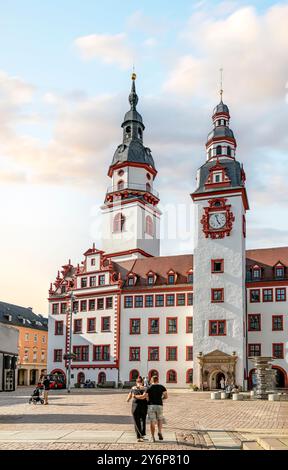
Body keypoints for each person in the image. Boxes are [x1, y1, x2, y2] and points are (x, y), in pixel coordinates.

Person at [146, 375, 168, 442]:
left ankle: (153, 437)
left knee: (152, 421)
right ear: (157, 380)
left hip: (151, 405)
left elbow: (146, 397)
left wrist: (148, 401)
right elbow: (166, 396)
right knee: (160, 419)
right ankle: (159, 432)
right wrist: (161, 399)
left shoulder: (149, 387)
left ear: (152, 380)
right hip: (159, 405)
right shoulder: (162, 387)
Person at [127, 376, 148, 442]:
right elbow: (129, 396)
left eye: (139, 382)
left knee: (141, 421)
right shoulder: (135, 388)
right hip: (138, 406)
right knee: (138, 421)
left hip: (140, 406)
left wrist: (135, 396)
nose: (138, 383)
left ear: (142, 382)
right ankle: (139, 436)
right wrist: (128, 399)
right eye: (137, 382)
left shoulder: (144, 388)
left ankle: (140, 435)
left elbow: (143, 397)